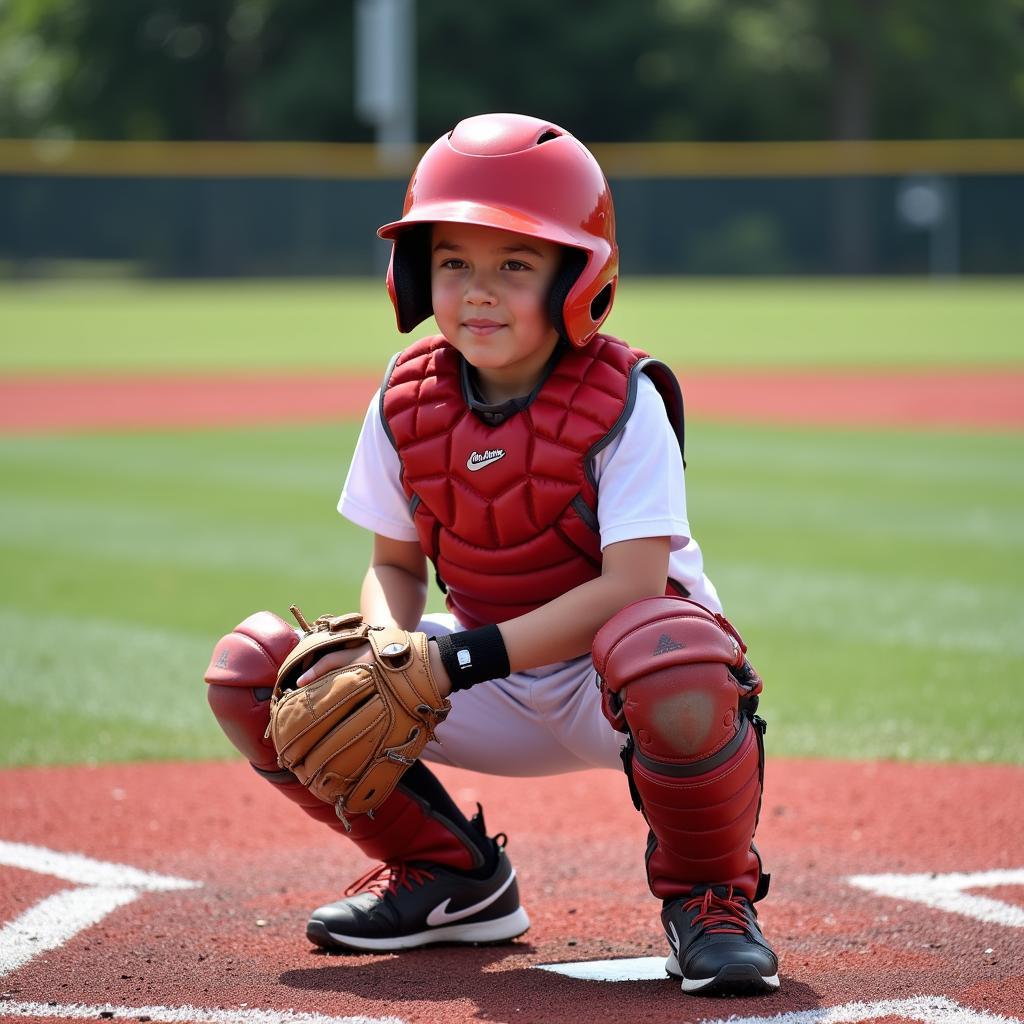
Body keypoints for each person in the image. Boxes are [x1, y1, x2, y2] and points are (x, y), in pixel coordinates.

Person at [205, 112, 779, 997]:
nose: (478, 290)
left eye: (514, 263)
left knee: (676, 656)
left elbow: (628, 584)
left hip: (615, 683)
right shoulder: (406, 400)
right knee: (256, 671)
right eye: (452, 262)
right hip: (485, 681)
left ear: (577, 277)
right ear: (412, 275)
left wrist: (450, 661)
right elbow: (394, 564)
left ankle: (712, 898)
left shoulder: (626, 398)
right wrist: (394, 649)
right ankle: (452, 877)